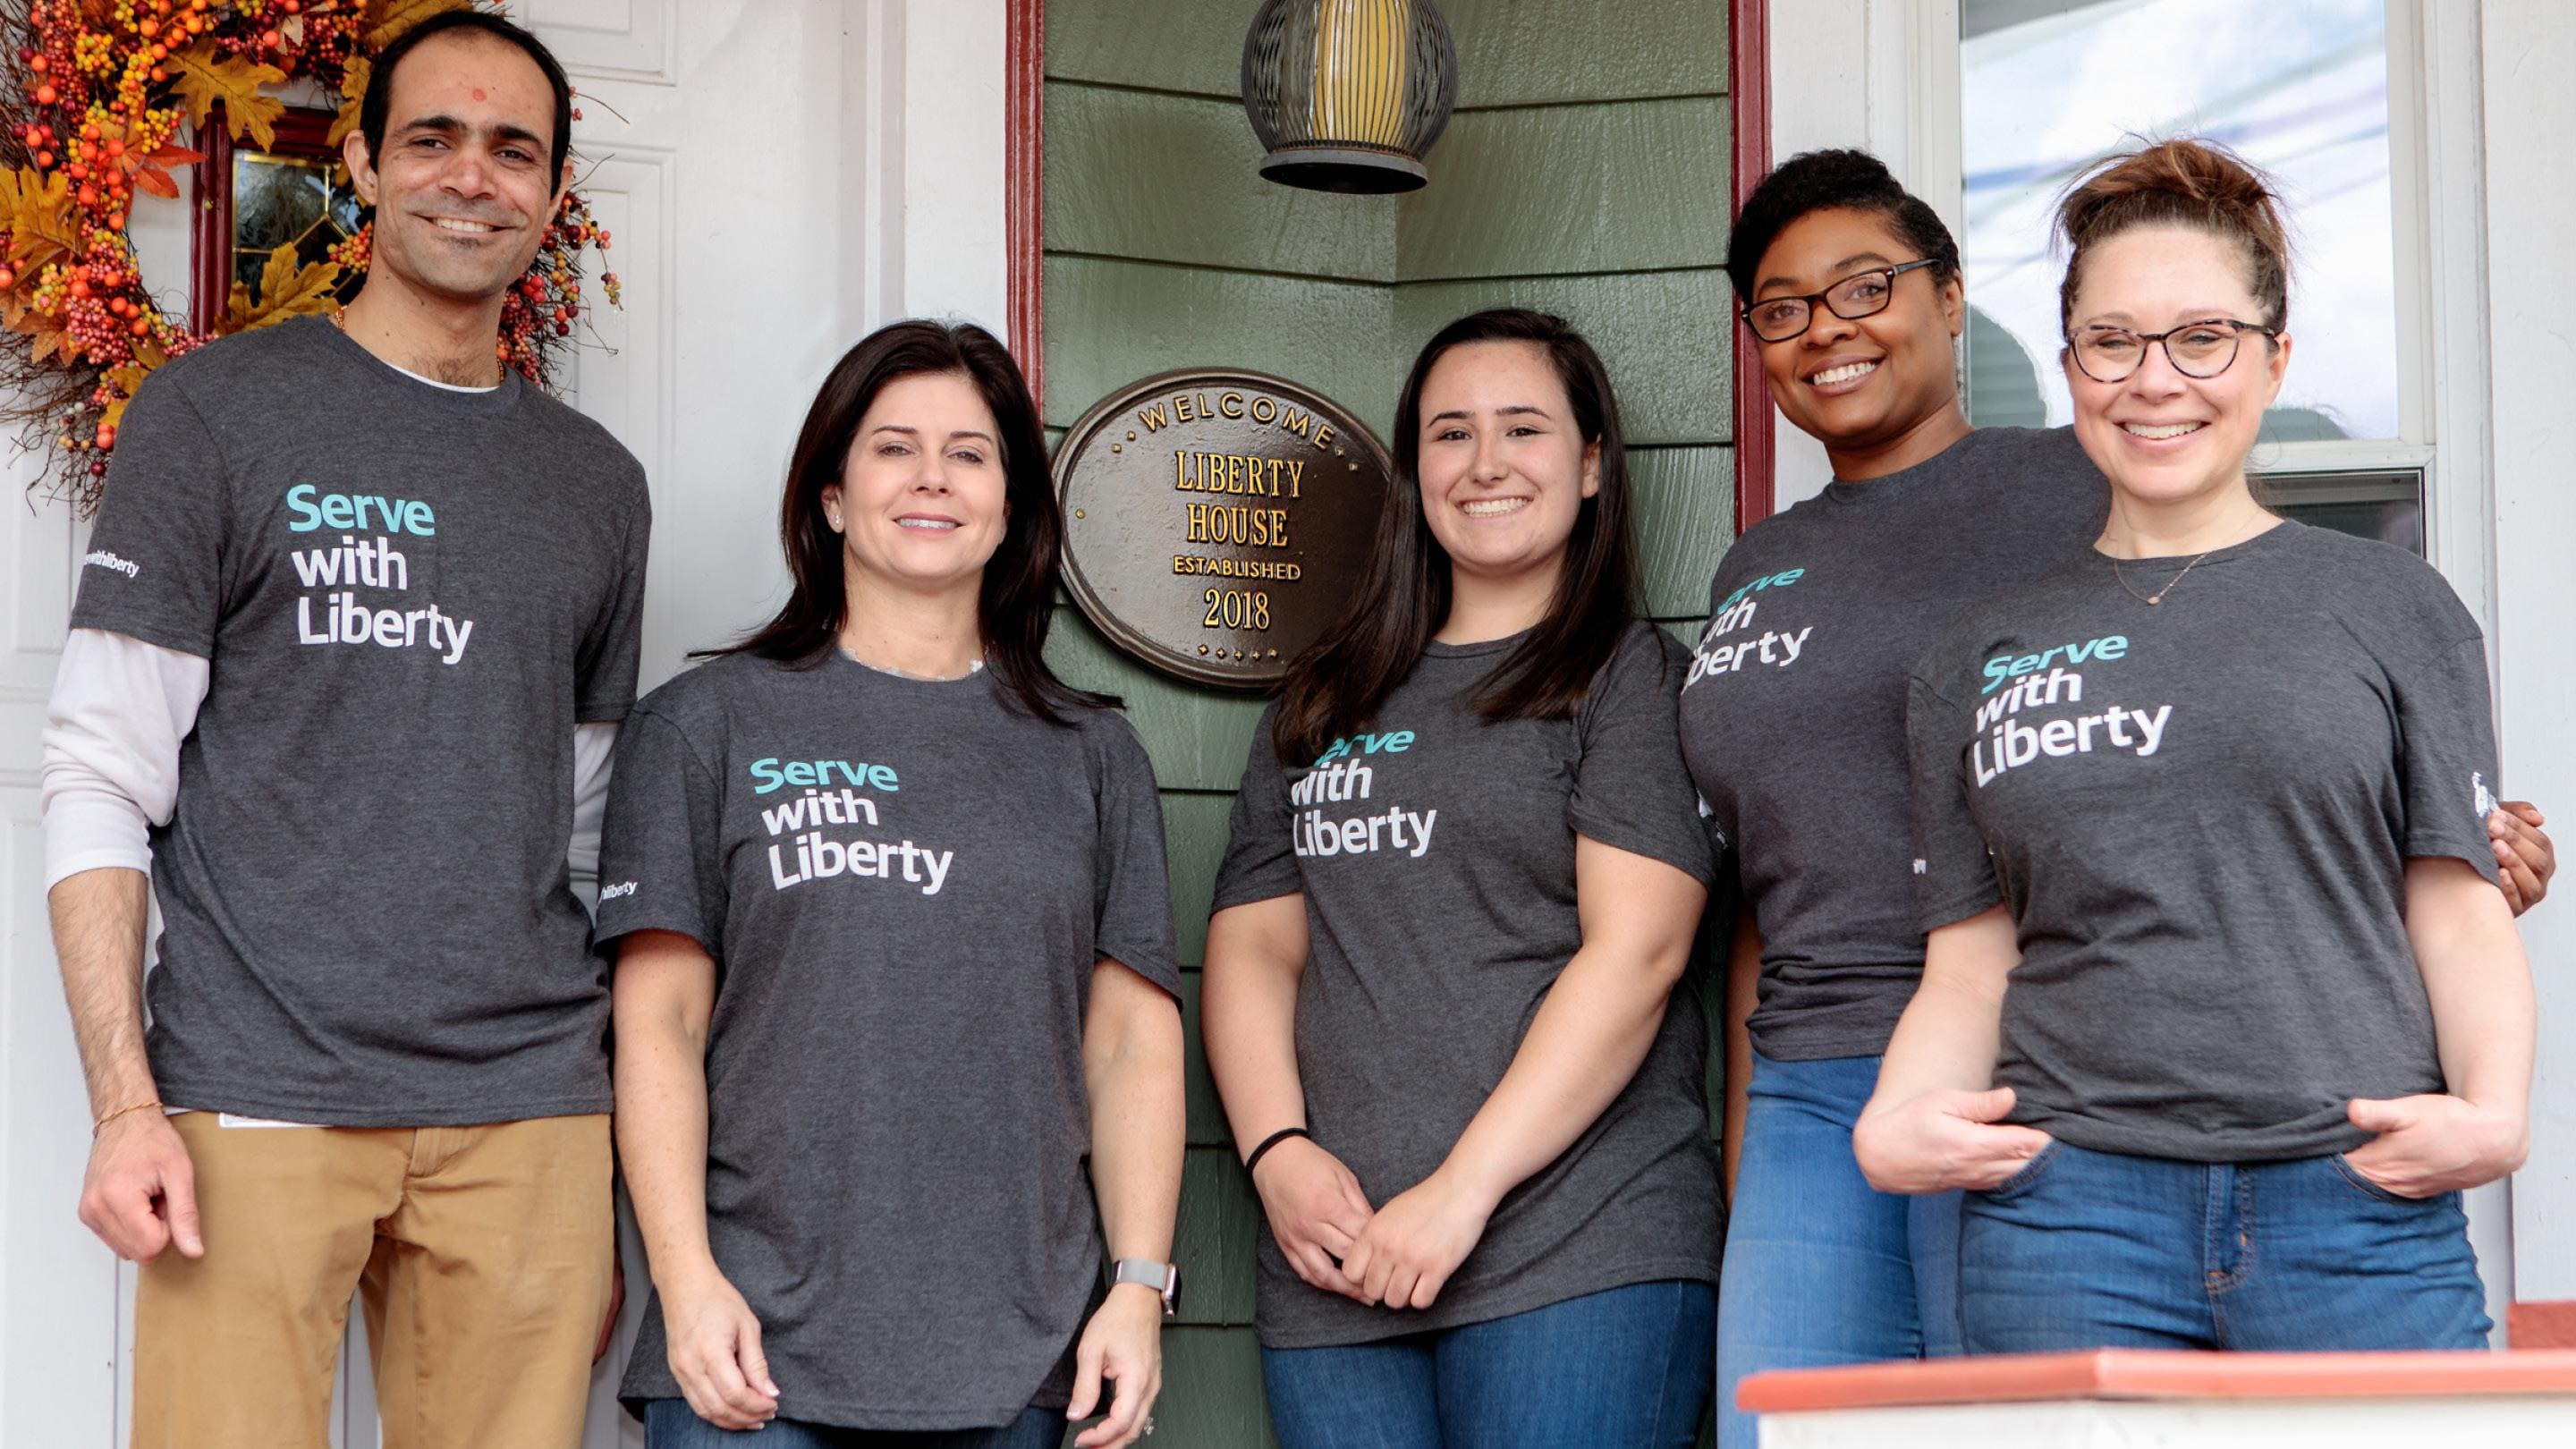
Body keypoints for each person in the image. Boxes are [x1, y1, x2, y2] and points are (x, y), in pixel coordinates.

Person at [1683, 148, 2555, 1444]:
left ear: (2274, 358)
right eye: (2113, 342)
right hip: (2019, 1168)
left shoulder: (2369, 595)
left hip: (2331, 1172)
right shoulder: (1933, 636)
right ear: (2073, 363)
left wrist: (2493, 1105)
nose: (2157, 379)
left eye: (2203, 338)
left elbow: (2446, 890)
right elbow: (1946, 947)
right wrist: (1887, 1120)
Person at [38, 13, 646, 1448]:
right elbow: (101, 773)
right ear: (364, 165)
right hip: (258, 1087)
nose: (471, 177)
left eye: (513, 151)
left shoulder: (595, 485)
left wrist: (604, 1131)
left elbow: (578, 818)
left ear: (552, 194)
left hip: (529, 1107)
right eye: (432, 138)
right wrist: (125, 1104)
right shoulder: (216, 416)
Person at [603, 319, 1184, 1449]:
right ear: (831, 496)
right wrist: (686, 1280)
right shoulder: (706, 726)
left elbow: (1128, 1046)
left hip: (1019, 1353)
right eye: (893, 448)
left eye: (969, 454)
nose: (932, 479)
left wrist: (1136, 1288)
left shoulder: (1091, 755)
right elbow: (660, 1024)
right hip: (753, 1349)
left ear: (1009, 507)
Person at [1202, 309, 1722, 1449]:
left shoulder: (1628, 679)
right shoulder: (1326, 696)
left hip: (1576, 1249)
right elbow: (1256, 947)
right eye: (1451, 434)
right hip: (1335, 1264)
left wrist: (1460, 1193)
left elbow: (1637, 956)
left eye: (1524, 429)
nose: (1485, 463)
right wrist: (1277, 1155)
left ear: (1592, 464)